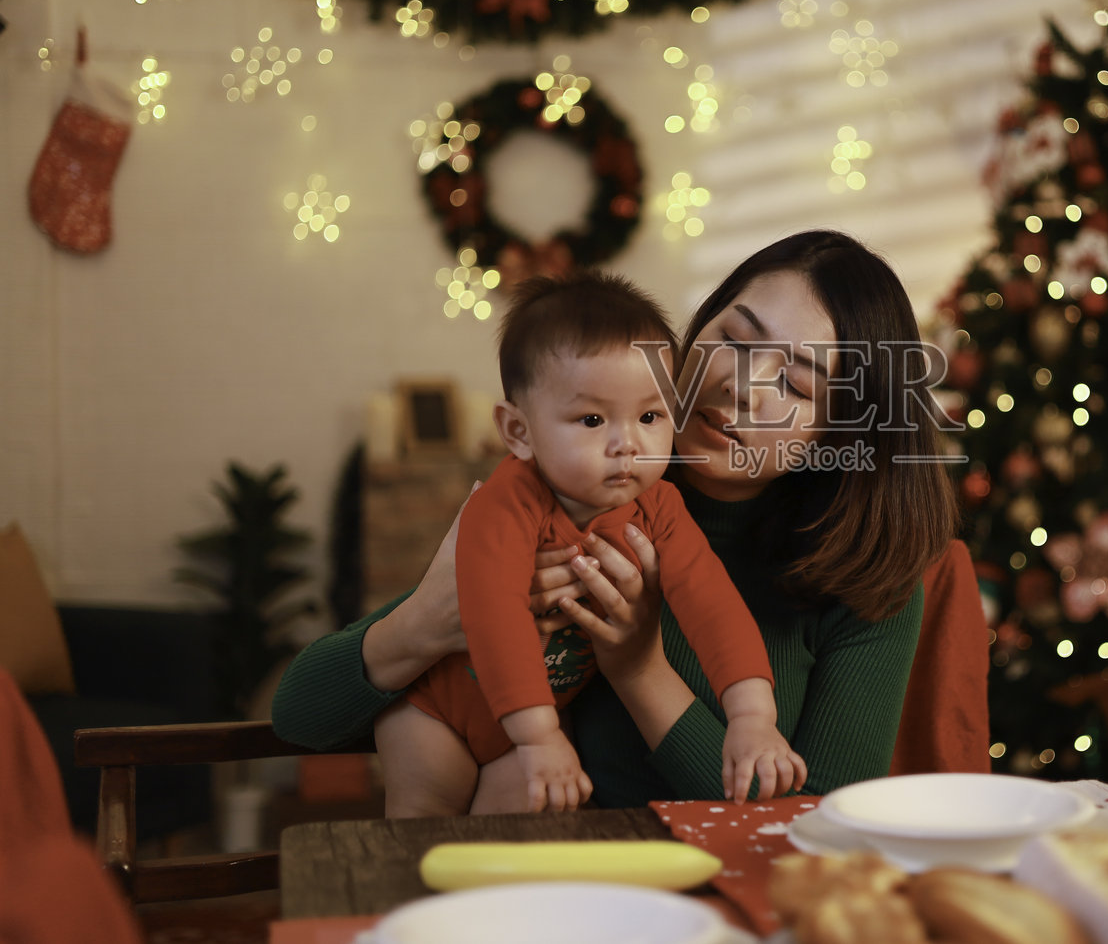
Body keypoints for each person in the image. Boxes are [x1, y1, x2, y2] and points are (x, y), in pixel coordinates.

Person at [274, 230, 984, 806]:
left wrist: (640, 667)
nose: (738, 384)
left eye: (795, 382)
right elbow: (301, 717)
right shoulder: (582, 487)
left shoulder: (867, 576)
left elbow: (815, 826)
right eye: (733, 339)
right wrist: (428, 618)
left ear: (840, 433)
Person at [379, 273, 801, 815]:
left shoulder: (660, 509)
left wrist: (752, 718)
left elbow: (713, 606)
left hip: (530, 733)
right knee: (420, 832)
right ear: (519, 432)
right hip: (436, 712)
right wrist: (538, 736)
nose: (628, 443)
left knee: (511, 846)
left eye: (651, 416)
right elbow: (496, 615)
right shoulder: (507, 503)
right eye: (593, 419)